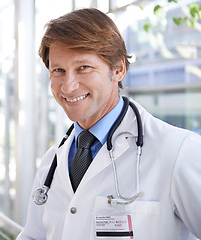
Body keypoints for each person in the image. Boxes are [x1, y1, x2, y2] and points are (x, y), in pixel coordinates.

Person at [17, 8, 201, 240]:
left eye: (83, 68)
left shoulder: (178, 152)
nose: (68, 86)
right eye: (58, 71)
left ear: (118, 69)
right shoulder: (51, 162)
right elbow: (34, 236)